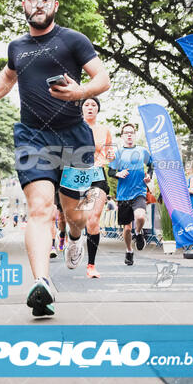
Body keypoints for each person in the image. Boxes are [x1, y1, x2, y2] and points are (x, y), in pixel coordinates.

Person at [0, 0, 110, 317]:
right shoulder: (16, 47)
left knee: (74, 215)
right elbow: (8, 76)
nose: (38, 4)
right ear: (23, 4)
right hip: (33, 136)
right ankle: (43, 285)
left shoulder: (73, 41)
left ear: (55, 5)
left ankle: (76, 238)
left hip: (74, 136)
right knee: (40, 207)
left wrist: (80, 92)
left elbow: (103, 78)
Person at [108, 122, 153, 266]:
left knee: (140, 216)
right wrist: (118, 173)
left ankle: (139, 233)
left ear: (134, 135)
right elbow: (110, 172)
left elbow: (151, 165)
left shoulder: (142, 151)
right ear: (122, 136)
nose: (129, 135)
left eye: (131, 132)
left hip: (139, 191)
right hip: (123, 195)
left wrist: (149, 177)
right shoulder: (118, 154)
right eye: (126, 133)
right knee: (126, 229)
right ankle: (129, 250)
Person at [82, 97, 115, 278]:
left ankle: (91, 265)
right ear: (81, 109)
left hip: (96, 175)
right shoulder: (73, 127)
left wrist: (108, 156)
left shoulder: (104, 130)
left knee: (93, 219)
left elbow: (110, 154)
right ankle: (70, 240)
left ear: (98, 110)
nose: (90, 107)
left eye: (93, 105)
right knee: (76, 220)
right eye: (86, 104)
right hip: (75, 175)